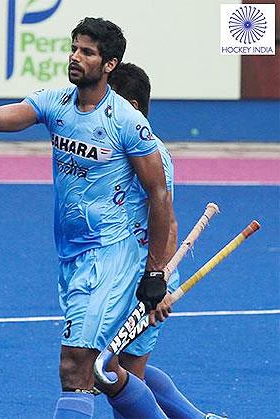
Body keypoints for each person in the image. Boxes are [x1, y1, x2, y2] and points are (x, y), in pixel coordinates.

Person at [0, 18, 177, 418]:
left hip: (111, 256)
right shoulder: (54, 102)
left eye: (87, 52)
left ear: (109, 64)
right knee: (106, 372)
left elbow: (159, 197)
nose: (75, 57)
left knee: (76, 366)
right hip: (71, 256)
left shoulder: (126, 122)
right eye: (74, 48)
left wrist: (156, 273)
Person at [110, 62, 226, 419]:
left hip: (145, 277)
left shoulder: (150, 152)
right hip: (117, 274)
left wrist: (156, 279)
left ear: (130, 106)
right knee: (121, 370)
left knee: (117, 374)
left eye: (106, 102)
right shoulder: (113, 145)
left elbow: (167, 222)